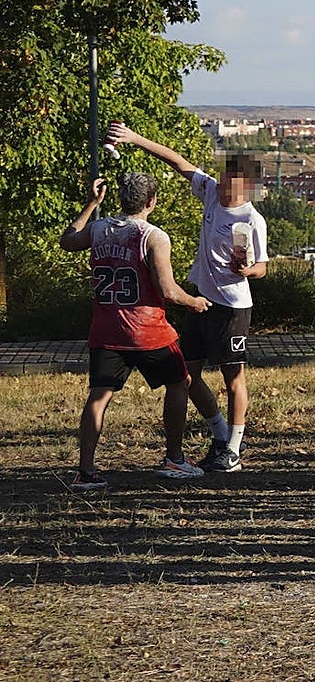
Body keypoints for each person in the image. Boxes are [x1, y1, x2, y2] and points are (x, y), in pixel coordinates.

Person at [107, 124, 268, 473]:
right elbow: (178, 162)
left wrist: (246, 270)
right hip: (201, 299)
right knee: (187, 374)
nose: (224, 186)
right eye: (223, 179)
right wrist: (136, 138)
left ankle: (234, 449)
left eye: (232, 183)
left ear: (247, 187)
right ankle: (220, 432)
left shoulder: (252, 219)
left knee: (233, 377)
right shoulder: (209, 191)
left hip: (233, 306)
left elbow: (262, 269)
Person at [60, 175, 212, 491]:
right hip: (147, 329)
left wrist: (91, 204)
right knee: (179, 382)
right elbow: (168, 291)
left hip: (106, 328)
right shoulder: (153, 237)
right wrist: (194, 302)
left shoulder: (100, 230)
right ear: (151, 202)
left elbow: (68, 240)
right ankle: (174, 458)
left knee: (99, 396)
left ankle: (85, 471)